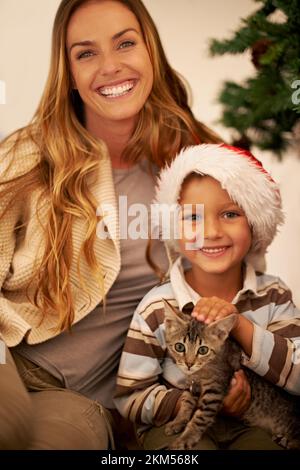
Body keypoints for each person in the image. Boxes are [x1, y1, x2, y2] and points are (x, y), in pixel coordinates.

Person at [0, 0, 228, 450]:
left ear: (151, 53)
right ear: (68, 73)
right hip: (25, 371)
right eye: (86, 53)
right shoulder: (29, 158)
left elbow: (240, 283)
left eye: (125, 43)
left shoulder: (202, 165)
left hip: (119, 397)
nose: (109, 66)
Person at [114, 143, 300, 450]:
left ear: (254, 224)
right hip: (178, 425)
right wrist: (183, 403)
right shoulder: (158, 307)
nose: (211, 231)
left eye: (230, 214)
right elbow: (129, 397)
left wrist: (239, 326)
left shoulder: (274, 296)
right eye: (193, 217)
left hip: (253, 423)